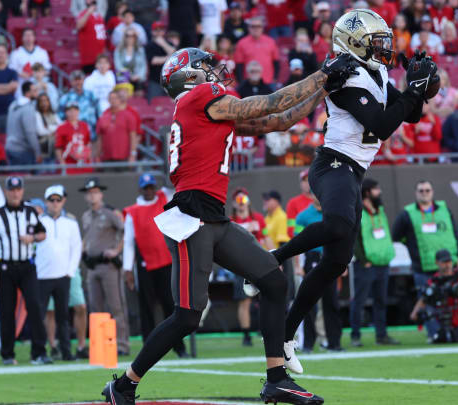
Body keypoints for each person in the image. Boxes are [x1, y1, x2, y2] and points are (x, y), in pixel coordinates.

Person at [101, 44, 357, 405]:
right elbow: (269, 104)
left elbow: (279, 121)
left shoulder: (204, 108)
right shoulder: (201, 97)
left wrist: (324, 89)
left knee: (272, 279)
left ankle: (277, 379)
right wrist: (322, 74)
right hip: (192, 219)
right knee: (187, 317)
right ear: (189, 75)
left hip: (214, 217)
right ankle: (123, 385)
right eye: (206, 66)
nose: (215, 71)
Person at [267, 9, 434, 376]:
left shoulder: (376, 71)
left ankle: (284, 334)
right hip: (332, 164)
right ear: (355, 42)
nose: (384, 48)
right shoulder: (346, 74)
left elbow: (411, 115)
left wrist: (421, 90)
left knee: (336, 263)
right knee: (339, 225)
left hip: (354, 173)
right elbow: (381, 123)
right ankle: (273, 257)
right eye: (377, 41)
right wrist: (411, 93)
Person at [0, 176, 52, 365]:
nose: (15, 193)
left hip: (27, 266)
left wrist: (32, 238)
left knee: (35, 306)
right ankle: (8, 354)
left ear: (23, 191)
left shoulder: (30, 212)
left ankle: (39, 352)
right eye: (12, 189)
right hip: (5, 267)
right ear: (6, 191)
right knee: (6, 310)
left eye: (18, 189)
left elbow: (43, 233)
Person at [122, 173, 188, 356]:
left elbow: (174, 184)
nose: (150, 191)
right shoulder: (132, 212)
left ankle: (178, 346)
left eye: (152, 187)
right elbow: (128, 241)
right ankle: (148, 348)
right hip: (145, 265)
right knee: (147, 308)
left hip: (166, 262)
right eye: (146, 188)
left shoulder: (163, 198)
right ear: (140, 189)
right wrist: (127, 268)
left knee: (171, 305)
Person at [392, 180, 458, 340]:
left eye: (427, 190)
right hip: (423, 266)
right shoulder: (407, 213)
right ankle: (435, 334)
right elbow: (396, 235)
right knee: (428, 301)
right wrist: (412, 245)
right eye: (421, 190)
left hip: (447, 266)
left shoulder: (444, 209)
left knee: (451, 301)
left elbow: (455, 233)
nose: (424, 193)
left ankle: (453, 333)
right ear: (416, 193)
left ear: (432, 192)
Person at [80, 177, 130, 355]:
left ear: (101, 194)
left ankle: (122, 345)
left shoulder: (110, 213)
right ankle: (100, 346)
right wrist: (84, 248)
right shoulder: (86, 216)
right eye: (89, 193)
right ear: (86, 196)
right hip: (92, 266)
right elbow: (87, 235)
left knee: (116, 306)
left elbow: (126, 230)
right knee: (96, 308)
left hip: (109, 266)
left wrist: (117, 250)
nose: (92, 196)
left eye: (95, 192)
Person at [35, 184, 81, 362]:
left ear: (63, 201)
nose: (55, 203)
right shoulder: (37, 221)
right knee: (40, 316)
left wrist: (70, 271)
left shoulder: (70, 222)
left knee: (63, 316)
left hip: (63, 276)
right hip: (42, 276)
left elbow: (76, 247)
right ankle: (41, 352)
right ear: (46, 202)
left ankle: (66, 352)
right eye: (51, 200)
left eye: (58, 200)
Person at [293, 193, 343, 352]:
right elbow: (296, 242)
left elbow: (342, 239)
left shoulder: (334, 213)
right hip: (312, 259)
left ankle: (334, 343)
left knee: (332, 302)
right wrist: (297, 266)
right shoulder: (303, 217)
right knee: (308, 302)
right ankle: (308, 343)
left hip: (331, 258)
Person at [350, 178, 397, 347]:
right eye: (377, 189)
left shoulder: (380, 210)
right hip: (366, 264)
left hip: (382, 262)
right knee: (360, 301)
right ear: (368, 192)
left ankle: (381, 335)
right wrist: (364, 259)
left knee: (381, 301)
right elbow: (354, 239)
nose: (380, 192)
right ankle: (355, 336)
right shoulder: (358, 210)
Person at [409, 249, 458, 343]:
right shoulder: (434, 281)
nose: (447, 265)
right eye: (444, 262)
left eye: (449, 262)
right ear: (437, 263)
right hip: (448, 320)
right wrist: (414, 313)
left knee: (456, 338)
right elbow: (424, 298)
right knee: (439, 340)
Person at [230, 188, 272, 346]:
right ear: (234, 203)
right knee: (244, 301)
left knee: (266, 298)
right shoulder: (231, 221)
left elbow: (266, 238)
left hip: (260, 263)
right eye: (238, 200)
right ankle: (246, 335)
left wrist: (276, 258)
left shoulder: (259, 219)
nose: (241, 204)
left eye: (244, 200)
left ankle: (266, 330)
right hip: (241, 265)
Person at [233, 16, 280, 85]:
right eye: (253, 26)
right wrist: (241, 82)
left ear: (262, 28)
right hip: (249, 82)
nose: (256, 29)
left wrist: (275, 78)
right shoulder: (241, 43)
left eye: (258, 26)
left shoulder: (271, 41)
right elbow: (239, 65)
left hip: (268, 82)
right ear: (249, 28)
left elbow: (276, 62)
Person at [94, 90, 138, 163]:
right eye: (111, 98)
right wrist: (97, 156)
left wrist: (133, 154)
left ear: (119, 100)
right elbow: (99, 138)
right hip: (107, 158)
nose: (113, 101)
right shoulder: (103, 117)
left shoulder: (129, 116)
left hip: (124, 157)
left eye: (115, 98)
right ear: (108, 100)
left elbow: (133, 137)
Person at [5, 81, 40, 165]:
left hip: (10, 147)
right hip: (22, 150)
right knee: (26, 177)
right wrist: (37, 152)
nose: (37, 93)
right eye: (34, 91)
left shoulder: (13, 104)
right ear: (28, 93)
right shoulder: (28, 108)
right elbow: (30, 132)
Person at [58, 70, 99, 135]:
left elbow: (98, 114)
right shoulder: (65, 98)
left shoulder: (91, 95)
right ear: (71, 82)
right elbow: (61, 117)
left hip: (92, 134)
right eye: (75, 80)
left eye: (79, 79)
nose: (78, 82)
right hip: (74, 136)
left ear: (83, 80)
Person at [55, 103, 92, 173]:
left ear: (78, 111)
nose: (72, 113)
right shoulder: (61, 127)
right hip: (69, 163)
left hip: (84, 163)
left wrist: (89, 158)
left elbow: (88, 144)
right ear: (66, 112)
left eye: (75, 110)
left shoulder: (84, 125)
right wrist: (62, 163)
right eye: (70, 111)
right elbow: (58, 148)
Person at [145, 21, 176, 100]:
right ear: (152, 32)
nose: (159, 32)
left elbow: (175, 56)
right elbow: (153, 61)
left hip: (169, 81)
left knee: (170, 105)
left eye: (161, 30)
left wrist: (163, 44)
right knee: (154, 103)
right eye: (156, 30)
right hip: (155, 81)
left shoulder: (169, 43)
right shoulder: (149, 45)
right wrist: (168, 57)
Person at [76, 0, 107, 74]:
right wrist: (88, 13)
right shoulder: (83, 14)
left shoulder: (99, 16)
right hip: (89, 57)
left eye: (94, 3)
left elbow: (102, 36)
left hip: (100, 57)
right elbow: (78, 26)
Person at [286, 169, 313, 239]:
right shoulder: (293, 203)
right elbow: (291, 230)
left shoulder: (323, 200)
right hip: (303, 245)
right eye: (304, 180)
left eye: (310, 179)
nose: (307, 183)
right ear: (300, 183)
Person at [35, 92, 61, 162]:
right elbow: (41, 131)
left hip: (54, 148)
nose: (44, 103)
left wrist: (49, 127)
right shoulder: (37, 114)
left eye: (46, 100)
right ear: (38, 103)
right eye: (42, 101)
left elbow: (61, 127)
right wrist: (55, 130)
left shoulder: (53, 114)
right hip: (43, 149)